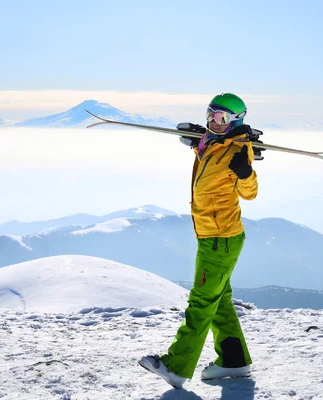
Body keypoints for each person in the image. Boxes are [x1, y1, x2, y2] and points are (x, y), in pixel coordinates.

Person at [139, 93, 258, 389]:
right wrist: (197, 141)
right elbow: (210, 162)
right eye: (210, 115)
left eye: (221, 118)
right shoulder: (212, 143)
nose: (214, 122)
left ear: (235, 121)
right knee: (220, 302)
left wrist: (246, 173)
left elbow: (250, 192)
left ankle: (176, 366)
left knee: (202, 302)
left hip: (220, 238)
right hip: (212, 235)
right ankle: (234, 361)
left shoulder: (237, 151)